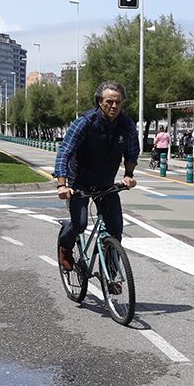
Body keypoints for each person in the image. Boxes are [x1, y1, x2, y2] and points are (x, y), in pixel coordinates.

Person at [54, 81, 138, 274]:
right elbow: (64, 152)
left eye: (118, 102)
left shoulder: (126, 125)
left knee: (115, 229)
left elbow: (132, 152)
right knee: (80, 224)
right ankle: (65, 246)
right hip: (79, 184)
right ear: (100, 101)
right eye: (109, 101)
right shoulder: (85, 122)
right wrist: (62, 185)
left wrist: (128, 175)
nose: (114, 106)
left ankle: (109, 274)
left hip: (106, 185)